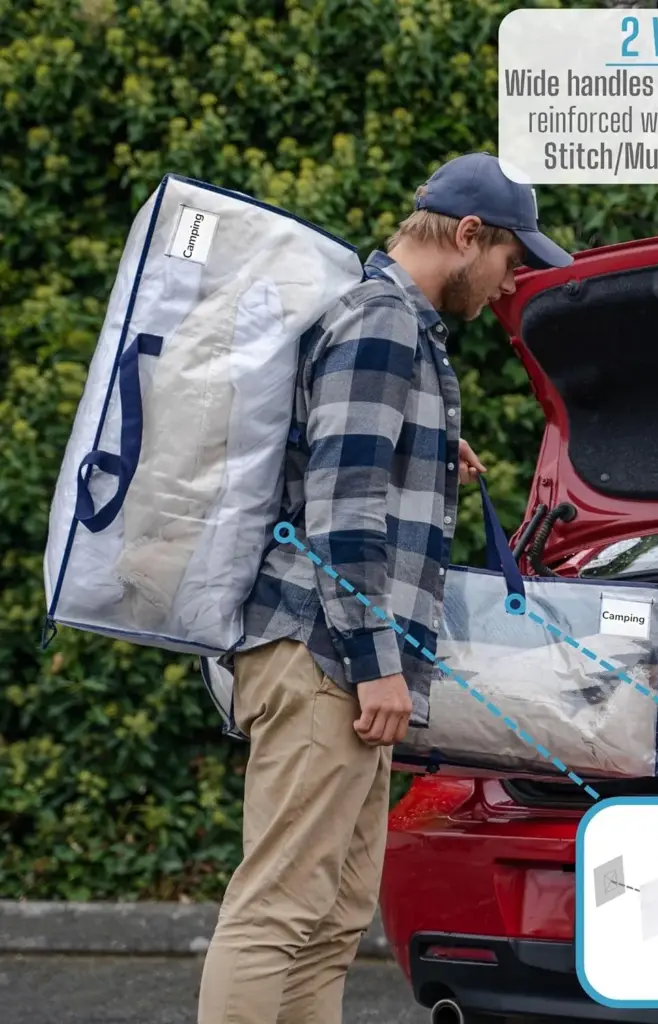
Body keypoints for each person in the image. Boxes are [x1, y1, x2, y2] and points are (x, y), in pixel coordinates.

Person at [197, 151, 572, 1024]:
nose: (510, 285)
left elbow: (348, 464)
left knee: (330, 920)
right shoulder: (381, 322)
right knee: (279, 911)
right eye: (510, 260)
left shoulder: (397, 327)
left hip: (338, 658)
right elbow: (343, 516)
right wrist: (378, 665)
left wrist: (431, 448)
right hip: (325, 655)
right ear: (468, 234)